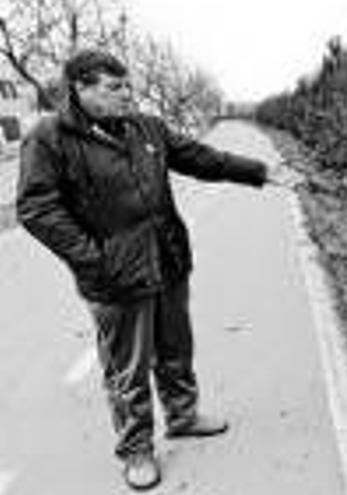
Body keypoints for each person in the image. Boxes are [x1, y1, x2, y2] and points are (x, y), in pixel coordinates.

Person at [16, 49, 292, 491]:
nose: (127, 93)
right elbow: (36, 208)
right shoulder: (50, 137)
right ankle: (136, 449)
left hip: (166, 260)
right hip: (114, 279)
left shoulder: (147, 128)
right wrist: (95, 259)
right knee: (128, 370)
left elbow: (204, 159)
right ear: (81, 89)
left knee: (175, 347)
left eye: (128, 85)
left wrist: (260, 171)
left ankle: (183, 415)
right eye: (114, 87)